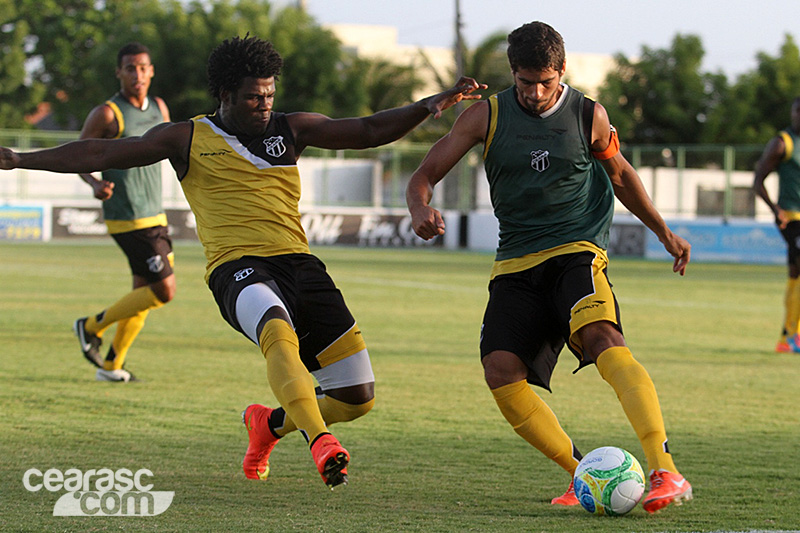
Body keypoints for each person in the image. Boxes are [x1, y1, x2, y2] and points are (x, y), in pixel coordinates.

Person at [0, 35, 485, 488]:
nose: (266, 104)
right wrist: (23, 159)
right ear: (226, 95)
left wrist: (428, 104)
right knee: (276, 331)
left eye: (270, 94)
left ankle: (268, 424)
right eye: (256, 97)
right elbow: (104, 149)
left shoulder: (292, 129)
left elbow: (368, 130)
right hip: (237, 269)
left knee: (357, 395)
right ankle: (321, 442)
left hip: (300, 265)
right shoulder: (186, 137)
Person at [405, 21, 693, 513]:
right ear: (512, 74)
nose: (536, 93)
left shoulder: (588, 115)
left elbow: (620, 175)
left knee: (603, 337)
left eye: (546, 82)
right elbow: (424, 175)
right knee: (500, 370)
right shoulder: (484, 117)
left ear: (562, 71)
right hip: (515, 261)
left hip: (577, 248)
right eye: (525, 82)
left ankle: (665, 469)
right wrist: (419, 209)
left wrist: (664, 232)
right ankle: (581, 473)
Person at [72, 42, 174, 382]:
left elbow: (173, 149)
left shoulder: (159, 107)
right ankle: (90, 326)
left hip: (155, 212)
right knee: (165, 290)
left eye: (143, 67)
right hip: (127, 215)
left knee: (142, 292)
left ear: (152, 70)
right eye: (130, 68)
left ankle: (113, 365)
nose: (138, 74)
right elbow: (80, 154)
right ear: (119, 72)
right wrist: (93, 183)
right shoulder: (107, 113)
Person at [753, 97, 800, 353]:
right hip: (791, 218)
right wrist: (775, 209)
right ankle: (793, 336)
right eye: (797, 112)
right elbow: (758, 180)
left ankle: (787, 338)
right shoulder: (783, 143)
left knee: (795, 274)